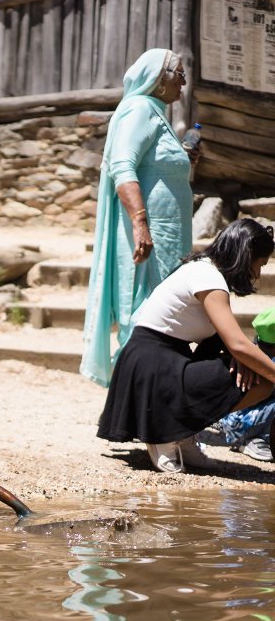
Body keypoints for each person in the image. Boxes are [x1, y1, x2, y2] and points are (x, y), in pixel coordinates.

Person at [97, 219, 275, 473]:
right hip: (152, 365)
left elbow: (230, 343)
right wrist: (243, 356)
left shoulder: (205, 271)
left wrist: (243, 358)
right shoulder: (208, 277)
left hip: (165, 362)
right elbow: (237, 344)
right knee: (262, 378)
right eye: (259, 264)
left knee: (259, 378)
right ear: (246, 255)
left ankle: (183, 432)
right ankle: (163, 435)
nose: (257, 274)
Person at [81, 48, 199, 387]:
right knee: (146, 311)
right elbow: (122, 166)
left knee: (163, 311)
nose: (184, 81)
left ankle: (147, 398)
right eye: (179, 73)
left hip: (167, 236)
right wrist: (140, 224)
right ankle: (137, 400)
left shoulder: (155, 112)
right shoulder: (139, 110)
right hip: (149, 234)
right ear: (159, 80)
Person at [201, 307, 275, 462]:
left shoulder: (255, 351)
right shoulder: (266, 364)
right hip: (241, 423)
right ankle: (253, 438)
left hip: (234, 416)